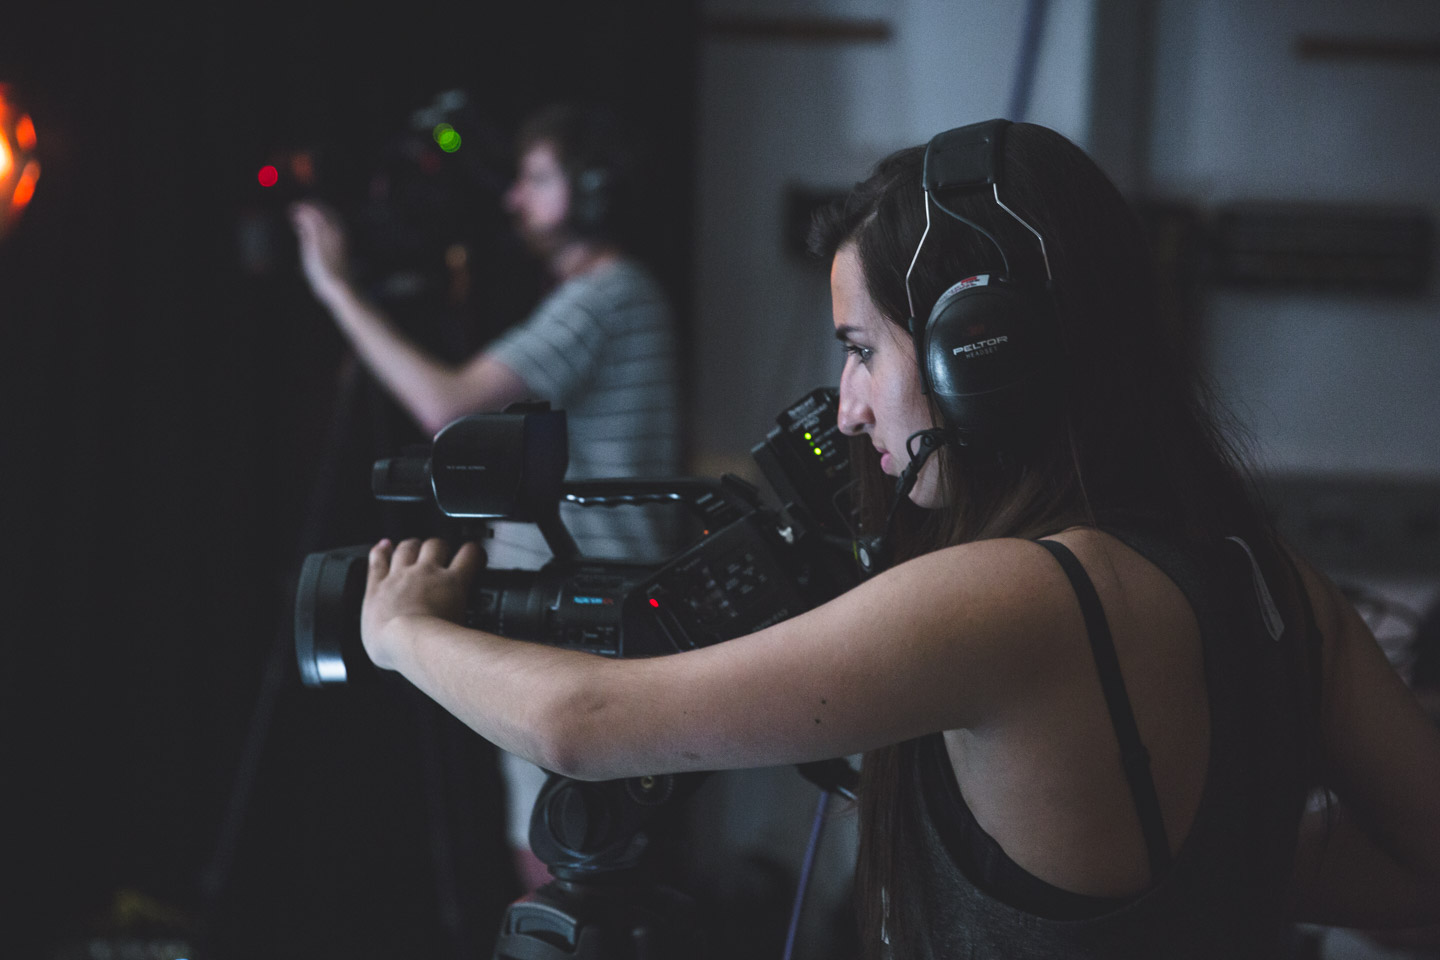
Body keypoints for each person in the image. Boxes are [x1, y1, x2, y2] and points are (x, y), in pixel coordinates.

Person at [347, 120, 1440, 957]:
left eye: (862, 348)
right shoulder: (1276, 583)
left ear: (986, 358)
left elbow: (578, 722)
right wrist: (1207, 865)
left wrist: (402, 625)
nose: (851, 405)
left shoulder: (1012, 599)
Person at [291, 102, 684, 890]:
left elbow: (449, 405)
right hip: (584, 613)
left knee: (559, 867)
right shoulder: (611, 295)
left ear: (596, 189)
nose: (514, 201)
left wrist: (337, 291)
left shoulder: (606, 293)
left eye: (538, 179)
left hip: (586, 618)